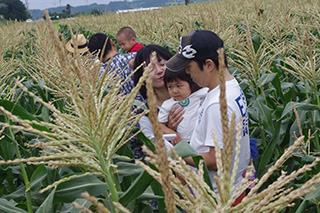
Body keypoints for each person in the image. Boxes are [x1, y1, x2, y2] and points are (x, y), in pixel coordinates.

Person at [165, 30, 250, 205]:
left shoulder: (218, 104)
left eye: (190, 68)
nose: (188, 73)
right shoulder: (231, 87)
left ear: (209, 65)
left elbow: (217, 160)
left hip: (220, 198)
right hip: (234, 188)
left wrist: (173, 154)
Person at [133, 44, 184, 151]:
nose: (159, 70)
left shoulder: (192, 92)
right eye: (150, 68)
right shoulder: (145, 113)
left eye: (162, 64)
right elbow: (153, 148)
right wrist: (167, 129)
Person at [87, 33, 143, 102]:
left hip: (122, 112)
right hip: (151, 109)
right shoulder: (136, 57)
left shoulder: (99, 77)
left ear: (96, 56)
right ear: (112, 42)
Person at [158, 70, 208, 145]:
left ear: (191, 84)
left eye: (179, 86)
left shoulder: (198, 94)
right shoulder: (168, 104)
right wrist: (171, 132)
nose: (174, 91)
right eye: (170, 87)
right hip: (182, 142)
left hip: (202, 138)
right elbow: (160, 125)